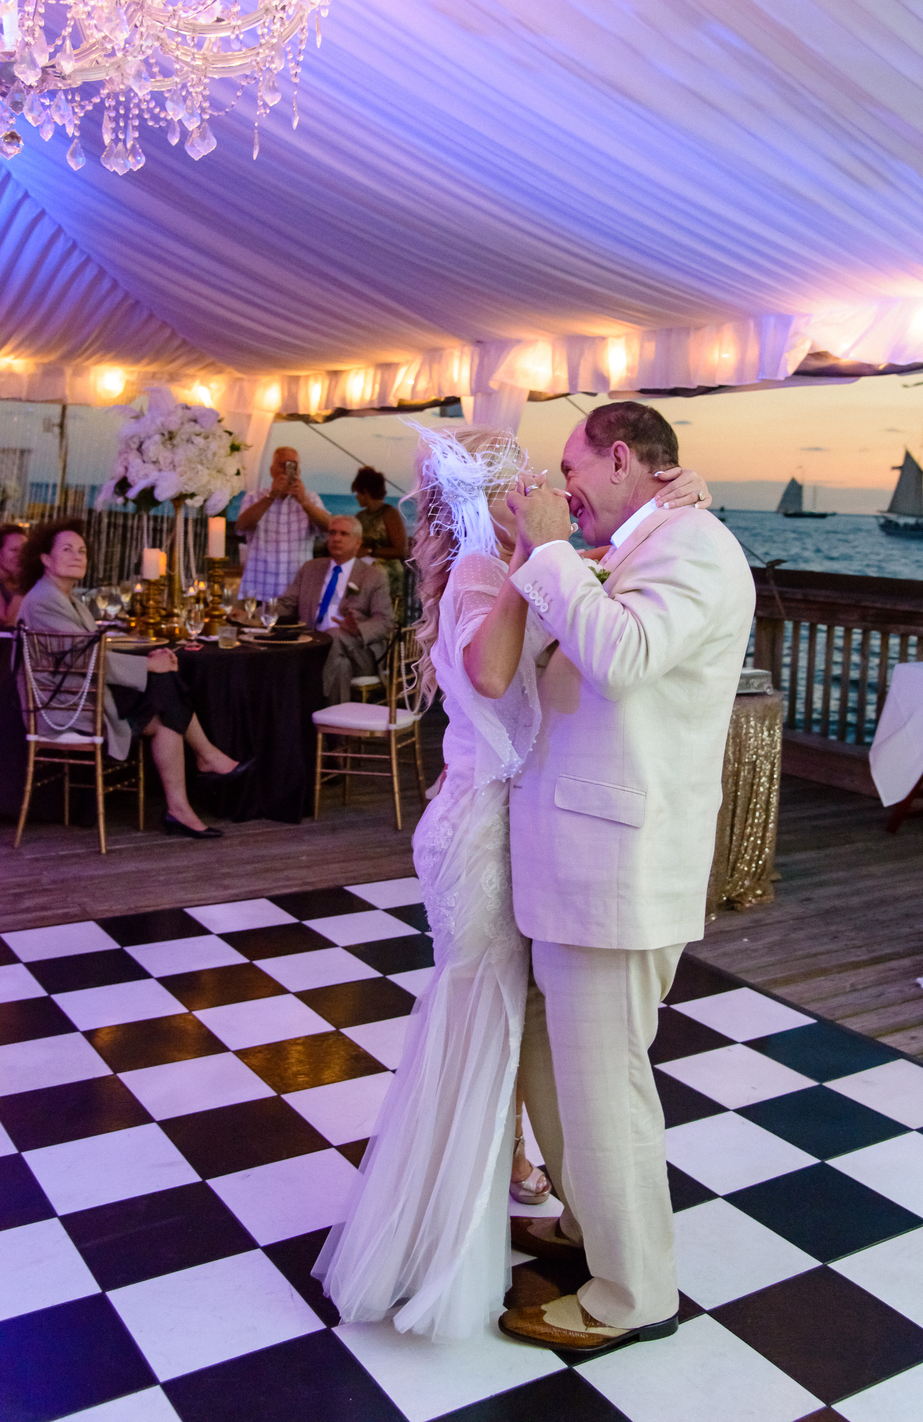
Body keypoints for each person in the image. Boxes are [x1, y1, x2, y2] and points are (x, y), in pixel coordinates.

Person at [312, 423, 712, 1340]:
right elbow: (495, 677)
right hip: (483, 828)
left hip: (510, 823)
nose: (540, 485)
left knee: (512, 1023)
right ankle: (440, 1234)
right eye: (521, 476)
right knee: (480, 1015)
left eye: (547, 472)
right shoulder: (483, 574)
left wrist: (560, 565)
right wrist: (548, 557)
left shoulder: (504, 569)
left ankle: (511, 1194)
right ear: (480, 496)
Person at [497, 401, 755, 1354]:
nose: (562, 485)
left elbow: (624, 656)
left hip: (621, 867)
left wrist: (556, 551)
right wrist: (570, 556)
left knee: (607, 1086)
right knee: (552, 1067)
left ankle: (633, 1292)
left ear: (617, 458)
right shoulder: (646, 541)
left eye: (571, 466)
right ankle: (586, 1218)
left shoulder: (698, 547)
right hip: (575, 861)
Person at [18, 518, 246, 839]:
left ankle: (183, 802)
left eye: (82, 550)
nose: (78, 556)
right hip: (67, 707)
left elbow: (88, 649)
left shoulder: (65, 597)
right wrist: (147, 667)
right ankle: (205, 760)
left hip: (82, 693)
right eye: (67, 549)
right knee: (165, 686)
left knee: (166, 707)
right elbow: (82, 659)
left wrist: (149, 663)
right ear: (44, 558)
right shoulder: (45, 601)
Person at [277, 515, 396, 703]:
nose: (336, 538)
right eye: (332, 532)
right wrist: (251, 615)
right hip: (312, 646)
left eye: (344, 534)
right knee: (341, 666)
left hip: (359, 650)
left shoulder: (373, 575)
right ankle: (333, 729)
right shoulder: (310, 568)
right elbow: (286, 605)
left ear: (358, 543)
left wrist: (358, 630)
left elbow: (385, 621)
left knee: (333, 635)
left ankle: (307, 701)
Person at [237, 447, 331, 601]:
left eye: (293, 465)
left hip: (297, 588)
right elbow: (241, 526)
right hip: (260, 586)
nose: (288, 470)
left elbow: (329, 528)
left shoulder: (311, 498)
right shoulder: (254, 497)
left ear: (298, 470)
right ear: (272, 470)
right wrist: (271, 496)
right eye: (283, 465)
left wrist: (304, 502)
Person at [351, 465, 408, 607]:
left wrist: (370, 551)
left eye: (358, 493)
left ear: (365, 492)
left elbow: (401, 550)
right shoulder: (360, 516)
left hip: (388, 575)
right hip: (365, 573)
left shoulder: (390, 514)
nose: (357, 497)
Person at [0, 522, 26, 626]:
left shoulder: (11, 582)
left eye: (24, 551)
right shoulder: (21, 584)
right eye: (14, 550)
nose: (21, 556)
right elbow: (5, 620)